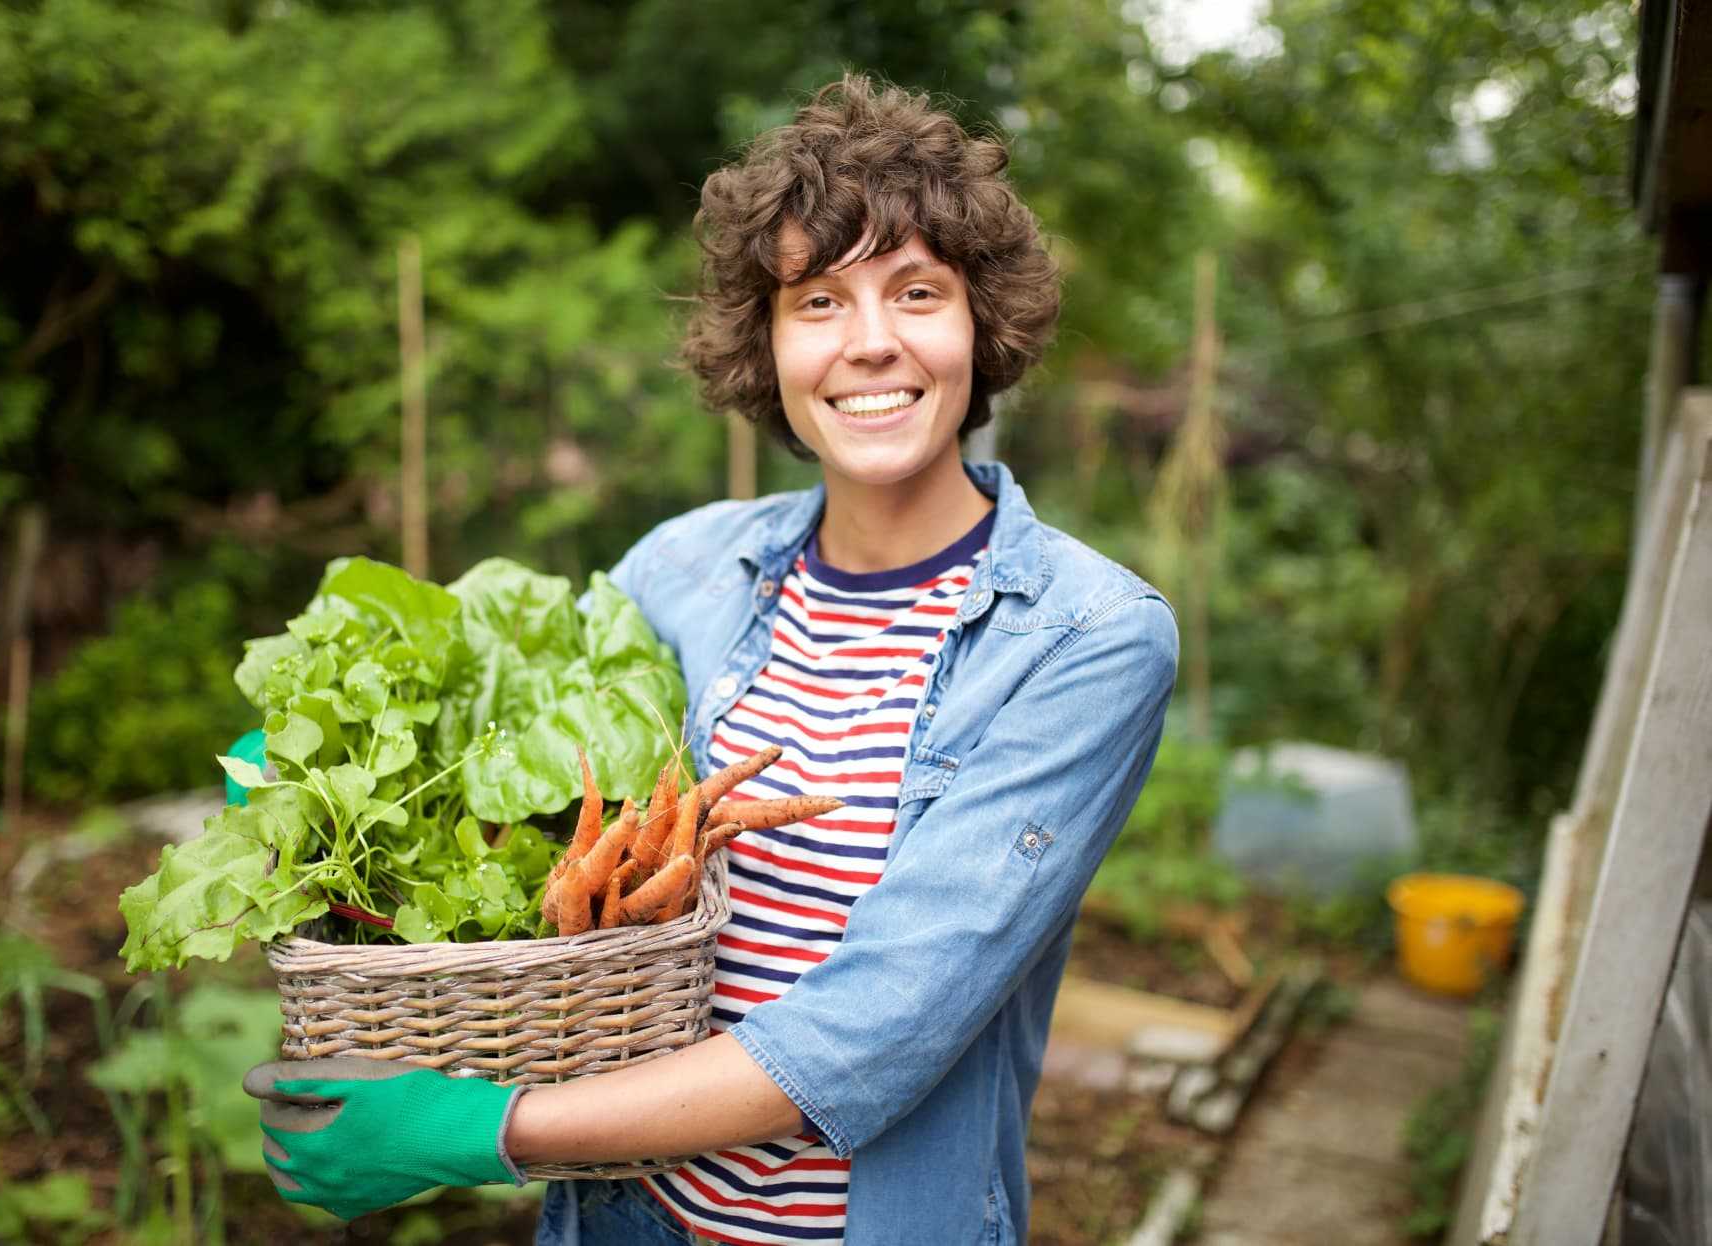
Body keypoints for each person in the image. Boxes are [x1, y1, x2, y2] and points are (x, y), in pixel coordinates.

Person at [244, 74, 1178, 1246]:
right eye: (820, 302)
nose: (872, 341)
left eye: (918, 293)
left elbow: (876, 1028)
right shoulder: (682, 569)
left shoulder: (1086, 637)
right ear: (770, 343)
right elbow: (523, 807)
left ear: (982, 324)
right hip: (623, 1220)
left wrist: (493, 1127)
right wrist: (319, 771)